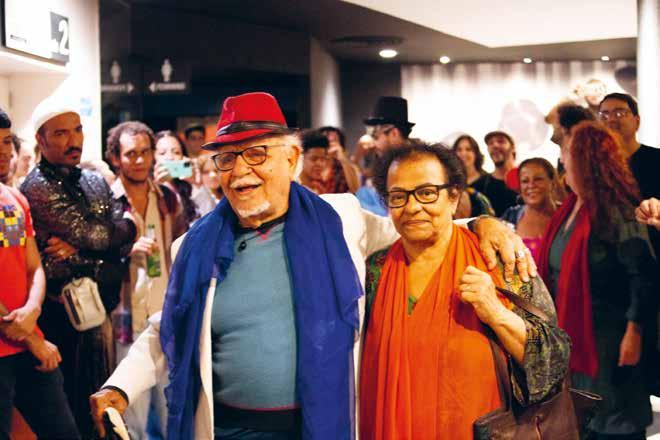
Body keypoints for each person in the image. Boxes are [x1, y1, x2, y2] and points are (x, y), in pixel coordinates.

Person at [89, 92, 536, 440]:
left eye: (256, 153)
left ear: (291, 159)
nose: (240, 171)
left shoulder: (341, 219)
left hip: (321, 426)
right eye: (227, 158)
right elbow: (168, 328)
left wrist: (484, 224)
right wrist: (119, 387)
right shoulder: (194, 245)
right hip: (227, 429)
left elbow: (415, 224)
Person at [359, 142, 569, 439]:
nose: (413, 207)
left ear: (454, 197)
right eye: (398, 196)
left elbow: (555, 357)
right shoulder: (374, 272)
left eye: (427, 193)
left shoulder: (498, 260)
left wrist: (495, 312)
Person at [20, 98, 137, 437]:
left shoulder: (94, 180)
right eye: (61, 133)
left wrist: (82, 248)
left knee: (104, 405)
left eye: (78, 130)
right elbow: (98, 234)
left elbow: (120, 234)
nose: (73, 140)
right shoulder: (36, 187)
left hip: (100, 311)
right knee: (74, 413)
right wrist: (110, 236)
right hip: (62, 319)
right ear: (41, 140)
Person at [537, 121, 657, 439]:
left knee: (613, 421)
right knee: (583, 421)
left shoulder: (616, 211)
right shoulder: (568, 210)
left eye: (567, 150)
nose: (562, 157)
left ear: (584, 159)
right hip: (573, 334)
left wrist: (634, 332)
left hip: (611, 336)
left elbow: (643, 277)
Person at [0, 108, 80, 439]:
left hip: (27, 344)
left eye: (6, 141)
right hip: (22, 343)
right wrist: (31, 337)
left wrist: (33, 309)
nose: (4, 151)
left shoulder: (13, 199)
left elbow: (33, 266)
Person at [106, 121, 187, 438]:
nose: (139, 160)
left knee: (173, 413)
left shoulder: (168, 198)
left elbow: (184, 251)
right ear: (116, 157)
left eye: (144, 152)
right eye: (130, 154)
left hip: (166, 316)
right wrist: (125, 251)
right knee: (131, 419)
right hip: (125, 319)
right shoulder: (106, 201)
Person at [598, 93, 660, 259]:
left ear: (637, 121)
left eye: (620, 113)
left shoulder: (656, 159)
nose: (611, 120)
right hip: (608, 258)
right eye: (604, 115)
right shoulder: (596, 167)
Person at [356, 96, 416, 216]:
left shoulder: (416, 163)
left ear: (394, 133)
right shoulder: (386, 161)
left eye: (376, 136)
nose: (374, 143)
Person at [501, 158, 560, 262]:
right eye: (525, 181)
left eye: (538, 179)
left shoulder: (567, 215)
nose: (531, 185)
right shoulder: (510, 217)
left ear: (552, 183)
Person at [154, 130, 199, 225]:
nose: (170, 157)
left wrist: (197, 184)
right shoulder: (147, 187)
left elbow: (208, 216)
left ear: (184, 157)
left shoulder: (189, 188)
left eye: (176, 152)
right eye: (162, 153)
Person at [471, 131, 518, 216]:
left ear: (513, 147)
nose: (495, 145)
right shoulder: (478, 186)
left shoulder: (528, 181)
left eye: (501, 141)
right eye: (490, 143)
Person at [318, 126, 361, 193]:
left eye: (334, 140)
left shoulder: (345, 166)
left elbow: (355, 188)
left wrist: (342, 158)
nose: (330, 144)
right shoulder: (312, 164)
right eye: (326, 140)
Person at [192, 152, 224, 217]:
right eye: (206, 172)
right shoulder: (196, 197)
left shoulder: (228, 194)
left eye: (216, 171)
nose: (212, 175)